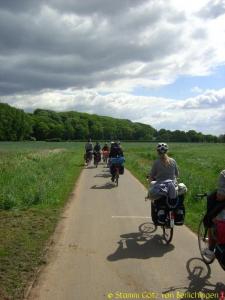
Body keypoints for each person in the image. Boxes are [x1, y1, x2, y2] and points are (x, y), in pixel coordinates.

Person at [147, 143, 185, 225]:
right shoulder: (173, 161)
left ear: (157, 152)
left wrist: (150, 181)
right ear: (167, 151)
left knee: (155, 194)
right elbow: (177, 174)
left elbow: (151, 175)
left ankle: (161, 213)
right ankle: (178, 213)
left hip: (162, 186)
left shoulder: (156, 162)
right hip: (173, 185)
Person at [203, 170, 225, 258]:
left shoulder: (223, 174)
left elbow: (221, 196)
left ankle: (210, 251)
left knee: (212, 220)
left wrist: (214, 195)